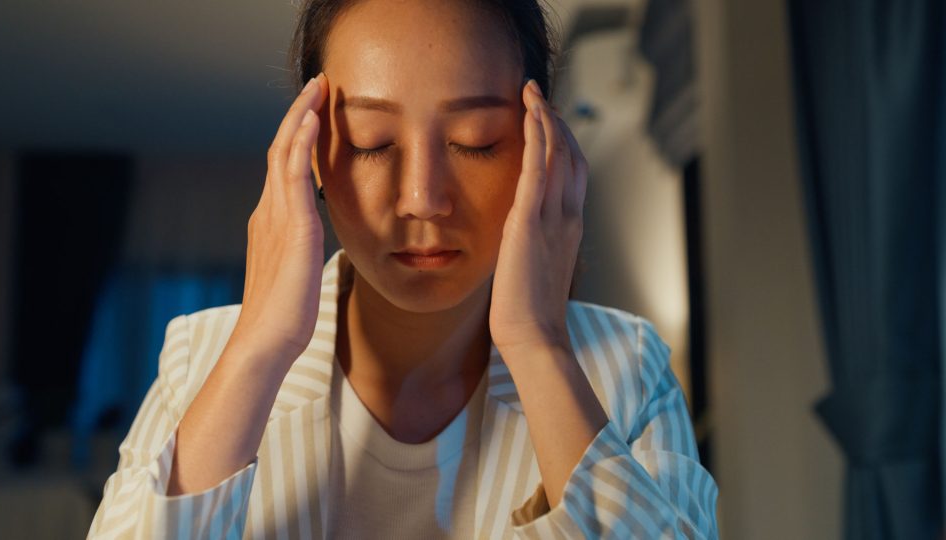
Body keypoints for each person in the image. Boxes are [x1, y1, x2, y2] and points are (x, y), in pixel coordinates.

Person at [87, 0, 719, 538]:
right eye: (371, 142)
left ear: (541, 149)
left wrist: (539, 347)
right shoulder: (203, 356)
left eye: (475, 140)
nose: (421, 197)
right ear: (312, 157)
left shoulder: (627, 367)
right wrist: (258, 350)